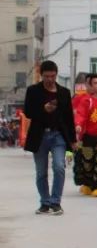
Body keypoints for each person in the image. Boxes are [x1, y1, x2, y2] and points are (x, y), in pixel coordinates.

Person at [23, 61, 76, 215]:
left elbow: (68, 118)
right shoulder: (33, 91)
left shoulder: (64, 93)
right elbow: (28, 112)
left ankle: (56, 202)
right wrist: (43, 109)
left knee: (59, 167)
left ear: (56, 74)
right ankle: (45, 203)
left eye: (52, 76)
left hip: (58, 135)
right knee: (41, 172)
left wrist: (72, 140)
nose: (50, 79)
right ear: (41, 75)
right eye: (46, 76)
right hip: (39, 136)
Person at [74, 73, 97, 197]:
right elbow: (81, 114)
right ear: (90, 86)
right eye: (96, 83)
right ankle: (88, 185)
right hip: (88, 136)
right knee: (87, 162)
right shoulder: (86, 100)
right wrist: (78, 124)